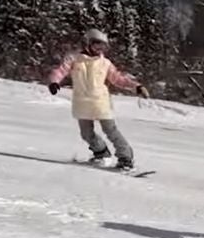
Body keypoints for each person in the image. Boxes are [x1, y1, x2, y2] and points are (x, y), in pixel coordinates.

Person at [47, 29, 149, 170]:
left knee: (111, 130)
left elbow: (118, 79)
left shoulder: (105, 63)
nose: (99, 50)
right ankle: (101, 153)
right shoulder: (75, 59)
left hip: (101, 102)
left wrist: (136, 87)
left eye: (103, 47)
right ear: (88, 43)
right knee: (86, 134)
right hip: (82, 101)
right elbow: (60, 70)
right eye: (97, 45)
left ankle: (125, 158)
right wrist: (54, 82)